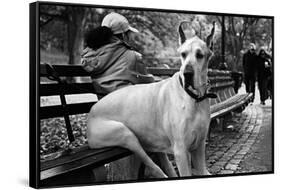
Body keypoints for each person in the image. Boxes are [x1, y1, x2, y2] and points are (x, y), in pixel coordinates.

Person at [81, 12, 155, 99]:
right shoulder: (133, 56)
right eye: (128, 33)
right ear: (123, 35)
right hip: (125, 107)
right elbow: (149, 84)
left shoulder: (92, 57)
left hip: (103, 106)